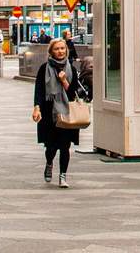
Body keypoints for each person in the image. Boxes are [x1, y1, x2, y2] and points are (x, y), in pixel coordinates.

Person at [33, 37, 84, 187]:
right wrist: (37, 107)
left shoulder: (71, 69)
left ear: (66, 50)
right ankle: (49, 163)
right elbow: (39, 90)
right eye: (57, 49)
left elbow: (75, 92)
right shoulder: (44, 68)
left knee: (65, 146)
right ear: (51, 51)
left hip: (67, 111)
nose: (60, 51)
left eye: (62, 48)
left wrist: (64, 81)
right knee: (51, 147)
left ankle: (63, 176)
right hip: (49, 111)